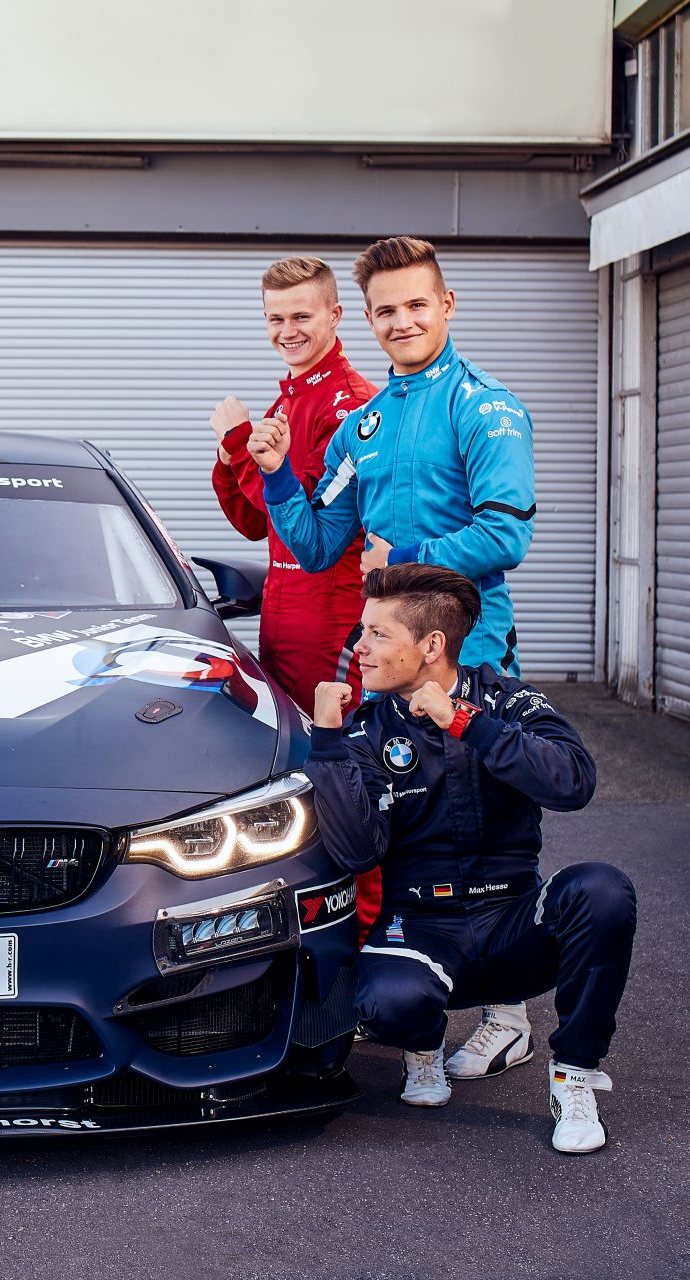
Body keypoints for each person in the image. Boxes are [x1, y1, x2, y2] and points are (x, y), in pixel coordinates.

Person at [247, 235, 538, 1072]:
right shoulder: (364, 426)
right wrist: (277, 475)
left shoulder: (487, 408)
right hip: (385, 659)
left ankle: (510, 1013)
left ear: (447, 305)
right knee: (406, 828)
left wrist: (405, 555)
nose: (402, 320)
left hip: (471, 652)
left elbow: (505, 534)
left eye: (417, 304)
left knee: (488, 832)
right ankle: (421, 1017)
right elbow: (314, 542)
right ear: (368, 320)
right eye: (387, 310)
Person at [305, 564, 636, 1154]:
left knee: (603, 891)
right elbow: (357, 851)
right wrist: (327, 741)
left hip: (513, 926)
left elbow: (574, 782)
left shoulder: (507, 701)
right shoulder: (365, 730)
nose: (360, 647)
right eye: (363, 630)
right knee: (385, 1004)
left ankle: (574, 1078)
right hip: (422, 928)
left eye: (378, 633)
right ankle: (423, 1049)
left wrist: (464, 722)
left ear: (432, 645)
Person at [208, 255, 380, 936]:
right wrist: (234, 460)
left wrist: (239, 448)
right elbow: (256, 521)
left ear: (335, 316)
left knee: (346, 783)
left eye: (301, 315)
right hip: (282, 628)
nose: (287, 330)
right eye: (275, 318)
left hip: (332, 630)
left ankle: (365, 948)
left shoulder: (349, 406)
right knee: (294, 790)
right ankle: (304, 930)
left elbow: (308, 530)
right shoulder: (289, 398)